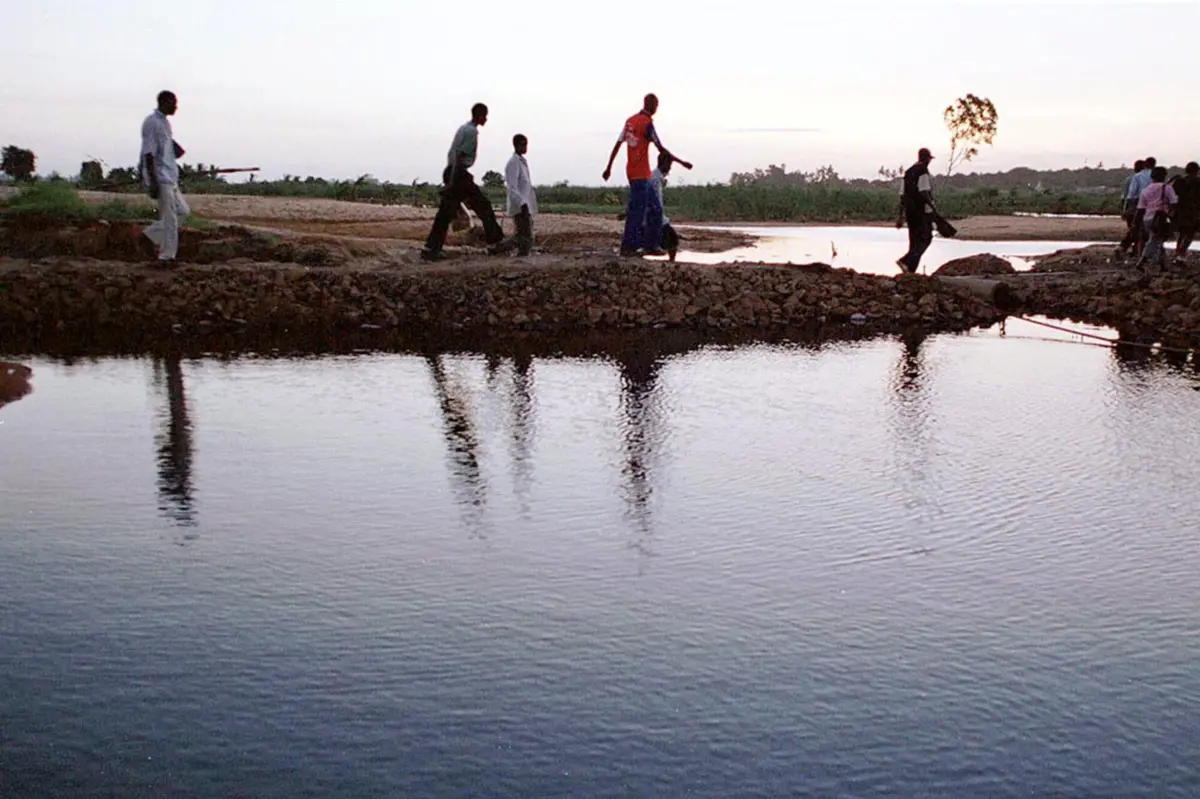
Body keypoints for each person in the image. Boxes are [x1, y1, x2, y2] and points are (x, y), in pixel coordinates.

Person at [602, 93, 692, 257]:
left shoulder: (630, 121)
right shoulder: (647, 123)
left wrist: (609, 167)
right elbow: (661, 148)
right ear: (654, 106)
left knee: (648, 209)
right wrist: (681, 162)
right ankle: (633, 247)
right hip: (641, 174)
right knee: (644, 211)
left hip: (632, 172)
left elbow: (617, 145)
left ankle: (643, 245)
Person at [421, 103, 511, 262]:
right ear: (480, 116)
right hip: (458, 174)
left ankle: (431, 249)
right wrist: (453, 182)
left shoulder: (463, 128)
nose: (486, 119)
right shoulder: (471, 132)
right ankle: (494, 242)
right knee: (483, 206)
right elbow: (459, 157)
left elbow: (453, 154)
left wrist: (450, 179)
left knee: (445, 213)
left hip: (453, 173)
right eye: (485, 116)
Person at [140, 90, 190, 264]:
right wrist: (153, 182)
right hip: (160, 177)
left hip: (170, 175)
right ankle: (167, 256)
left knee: (183, 212)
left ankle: (150, 235)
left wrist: (177, 156)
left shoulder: (166, 125)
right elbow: (149, 154)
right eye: (173, 102)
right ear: (164, 102)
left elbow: (167, 149)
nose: (176, 106)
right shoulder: (151, 123)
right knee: (170, 217)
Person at [896, 148, 940, 274]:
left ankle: (910, 271)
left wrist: (901, 216)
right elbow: (924, 191)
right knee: (926, 238)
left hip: (910, 212)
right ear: (926, 159)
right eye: (929, 159)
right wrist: (933, 208)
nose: (929, 162)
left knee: (914, 240)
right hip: (921, 212)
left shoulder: (908, 172)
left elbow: (902, 196)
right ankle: (906, 261)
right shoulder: (923, 171)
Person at [1134, 165, 1178, 272]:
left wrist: (1136, 223)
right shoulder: (1167, 188)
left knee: (1158, 240)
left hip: (1147, 218)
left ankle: (1163, 264)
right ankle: (1142, 261)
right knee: (1155, 240)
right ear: (1164, 176)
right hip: (1160, 218)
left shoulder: (1145, 190)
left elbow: (1140, 208)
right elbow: (1174, 203)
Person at [504, 134, 537, 256]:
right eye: (523, 144)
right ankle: (498, 247)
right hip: (520, 206)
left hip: (525, 205)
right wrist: (522, 204)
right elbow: (512, 187)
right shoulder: (513, 163)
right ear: (516, 145)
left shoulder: (522, 162)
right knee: (524, 237)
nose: (525, 147)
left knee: (524, 236)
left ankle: (521, 255)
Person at [1118, 156, 1156, 258]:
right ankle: (1135, 250)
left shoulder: (1134, 177)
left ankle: (1129, 248)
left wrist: (1126, 209)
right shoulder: (1154, 177)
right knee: (1145, 229)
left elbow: (1128, 196)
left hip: (1137, 204)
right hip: (1151, 205)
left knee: (1135, 228)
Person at [649, 152, 680, 262]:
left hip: (656, 216)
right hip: (655, 217)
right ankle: (671, 263)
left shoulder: (655, 177)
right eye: (669, 165)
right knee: (672, 240)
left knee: (671, 240)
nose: (670, 169)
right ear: (665, 163)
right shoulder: (655, 179)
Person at [1115, 159, 1145, 258]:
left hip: (1131, 207)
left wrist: (1124, 210)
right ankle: (1128, 248)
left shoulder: (1131, 179)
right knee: (1136, 229)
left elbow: (1126, 196)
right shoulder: (1139, 179)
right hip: (1137, 206)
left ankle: (1129, 248)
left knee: (1133, 229)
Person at [1171, 161, 1199, 261]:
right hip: (1193, 211)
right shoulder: (1197, 182)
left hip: (1180, 210)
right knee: (1190, 233)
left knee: (1182, 233)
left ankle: (1178, 252)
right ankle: (1181, 253)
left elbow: (1173, 194)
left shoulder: (1179, 181)